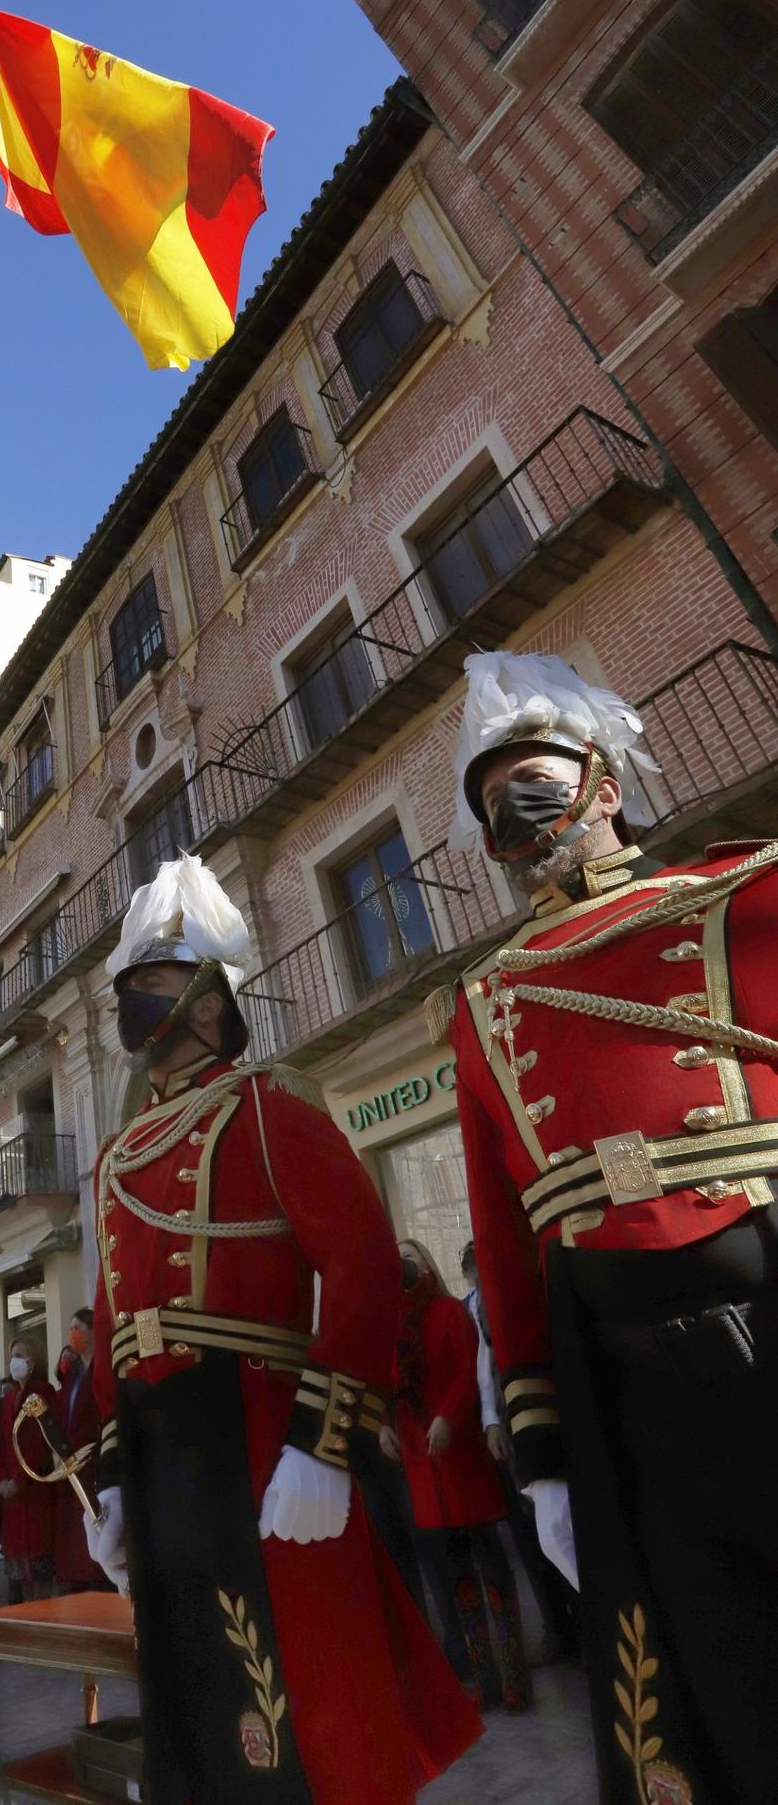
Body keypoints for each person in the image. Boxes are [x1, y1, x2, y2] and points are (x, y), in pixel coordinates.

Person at [436, 649, 778, 1804]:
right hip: (628, 1405)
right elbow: (506, 1230)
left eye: (532, 780)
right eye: (492, 804)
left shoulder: (740, 900)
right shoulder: (481, 1003)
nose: (514, 812)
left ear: (603, 783)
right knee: (700, 1680)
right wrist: (537, 1453)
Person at [83, 855, 480, 1804]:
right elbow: (106, 1325)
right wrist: (105, 1473)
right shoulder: (113, 1155)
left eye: (153, 985)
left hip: (262, 1432)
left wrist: (323, 1440)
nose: (132, 1006)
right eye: (126, 990)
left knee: (307, 1682)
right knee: (192, 1679)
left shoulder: (272, 1107)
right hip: (160, 1444)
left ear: (211, 1002)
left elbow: (360, 1259)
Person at [382, 1243, 528, 1712]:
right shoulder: (387, 1324)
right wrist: (381, 1424)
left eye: (410, 1255)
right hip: (422, 1463)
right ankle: (483, 1676)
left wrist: (447, 1416)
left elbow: (470, 1375)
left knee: (493, 1572)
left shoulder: (448, 1312)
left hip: (460, 1458)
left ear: (426, 1262)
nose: (403, 1263)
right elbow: (381, 1384)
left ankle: (513, 1676)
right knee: (456, 1576)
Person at [460, 1241, 579, 1664]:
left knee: (558, 1531)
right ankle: (561, 1625)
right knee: (542, 1535)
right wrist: (491, 1419)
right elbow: (486, 1362)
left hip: (560, 1410)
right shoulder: (480, 1303)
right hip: (520, 1420)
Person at [0, 1337, 56, 1604]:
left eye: (19, 1354)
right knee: (21, 1575)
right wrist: (1, 1481)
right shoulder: (9, 1399)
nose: (13, 1360)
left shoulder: (43, 1391)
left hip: (33, 1491)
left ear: (32, 1360)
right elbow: (1, 1445)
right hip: (13, 1499)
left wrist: (18, 1480)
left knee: (39, 1571)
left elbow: (42, 1441)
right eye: (11, 1355)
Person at [52, 1311, 108, 1594]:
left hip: (94, 1460)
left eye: (77, 1327)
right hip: (72, 1462)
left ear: (91, 1331)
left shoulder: (102, 1367)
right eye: (70, 1327)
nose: (72, 1332)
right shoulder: (73, 1375)